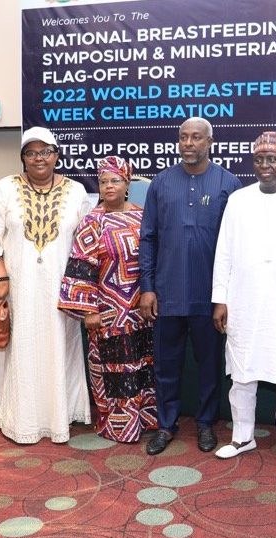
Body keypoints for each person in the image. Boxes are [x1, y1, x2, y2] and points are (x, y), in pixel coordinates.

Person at [0, 126, 92, 444]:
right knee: (23, 348)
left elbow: (85, 243)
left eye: (45, 152)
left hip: (60, 289)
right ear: (23, 158)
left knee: (59, 347)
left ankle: (59, 416)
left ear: (56, 155)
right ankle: (23, 419)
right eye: (31, 152)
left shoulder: (77, 192)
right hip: (19, 287)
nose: (38, 158)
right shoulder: (4, 189)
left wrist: (82, 289)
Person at [211, 131, 276, 466]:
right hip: (244, 300)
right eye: (260, 159)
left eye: (273, 159)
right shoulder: (238, 200)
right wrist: (220, 298)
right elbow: (224, 252)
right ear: (253, 163)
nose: (266, 165)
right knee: (242, 374)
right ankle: (242, 437)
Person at [138, 117, 240, 455]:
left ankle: (206, 423)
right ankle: (166, 425)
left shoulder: (228, 183)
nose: (189, 143)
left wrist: (226, 297)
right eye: (183, 137)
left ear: (210, 142)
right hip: (166, 295)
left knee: (209, 365)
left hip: (210, 296)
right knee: (166, 365)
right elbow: (148, 238)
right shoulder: (161, 183)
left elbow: (236, 246)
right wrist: (148, 287)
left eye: (196, 137)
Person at [60, 155, 156, 443]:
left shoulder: (143, 216)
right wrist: (88, 310)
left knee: (145, 365)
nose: (109, 186)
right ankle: (119, 425)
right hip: (108, 312)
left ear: (127, 183)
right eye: (103, 181)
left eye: (115, 180)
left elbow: (154, 260)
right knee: (115, 371)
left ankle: (148, 418)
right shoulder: (92, 221)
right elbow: (80, 266)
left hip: (142, 310)